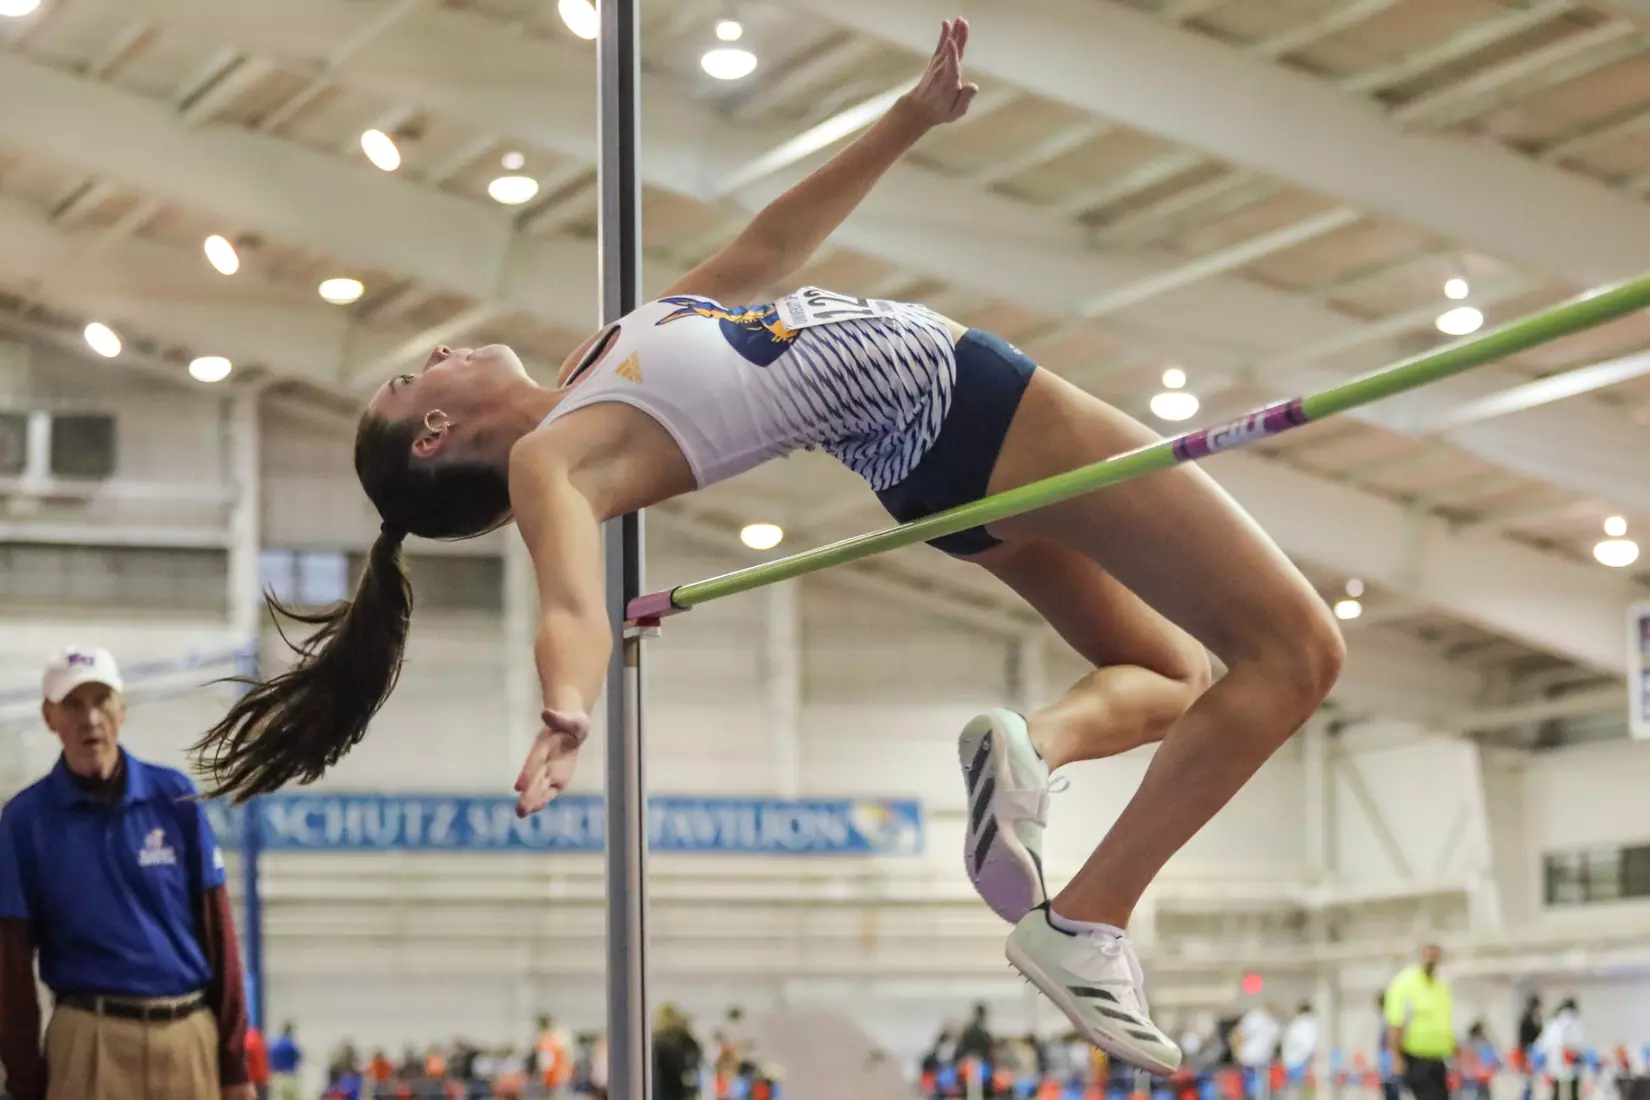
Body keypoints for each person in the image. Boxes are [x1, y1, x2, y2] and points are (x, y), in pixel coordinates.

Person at [190, 15, 1343, 1077]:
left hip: (932, 466)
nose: (435, 352)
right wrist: (567, 707)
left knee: (1175, 675)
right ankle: (1086, 917)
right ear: (439, 430)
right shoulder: (557, 460)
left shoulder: (608, 356)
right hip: (972, 407)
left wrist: (908, 118)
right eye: (412, 378)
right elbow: (573, 605)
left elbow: (769, 244)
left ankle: (1031, 751)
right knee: (1299, 653)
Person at [0, 646, 253, 1100]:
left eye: (101, 701)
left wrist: (234, 1065)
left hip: (187, 1039)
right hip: (87, 1045)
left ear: (122, 709)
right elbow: (11, 968)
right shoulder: (24, 822)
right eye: (73, 705)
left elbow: (220, 935)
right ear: (48, 717)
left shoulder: (175, 798)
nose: (90, 718)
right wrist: (23, 1081)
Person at [1384, 945, 1454, 1100]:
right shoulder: (1405, 983)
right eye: (1428, 954)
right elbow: (1396, 1021)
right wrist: (1395, 1056)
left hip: (1439, 1059)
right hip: (1416, 1059)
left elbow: (1445, 1022)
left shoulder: (1440, 986)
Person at [1535, 998, 1582, 1100]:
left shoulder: (1553, 1021)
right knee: (1571, 1088)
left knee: (1556, 1089)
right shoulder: (1571, 1020)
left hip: (1557, 1058)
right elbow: (1577, 1041)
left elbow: (1542, 1043)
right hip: (1565, 1057)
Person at [1231, 1004, 1280, 1098]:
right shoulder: (1260, 1019)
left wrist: (1236, 1052)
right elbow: (1238, 1035)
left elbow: (1238, 1035)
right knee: (1257, 1086)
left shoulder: (1257, 1018)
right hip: (1256, 1058)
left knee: (1255, 1087)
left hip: (1253, 1058)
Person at [269, 1021, 304, 1100]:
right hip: (290, 1077)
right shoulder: (291, 1045)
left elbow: (269, 1060)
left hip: (277, 1077)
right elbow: (299, 1058)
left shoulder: (275, 1044)